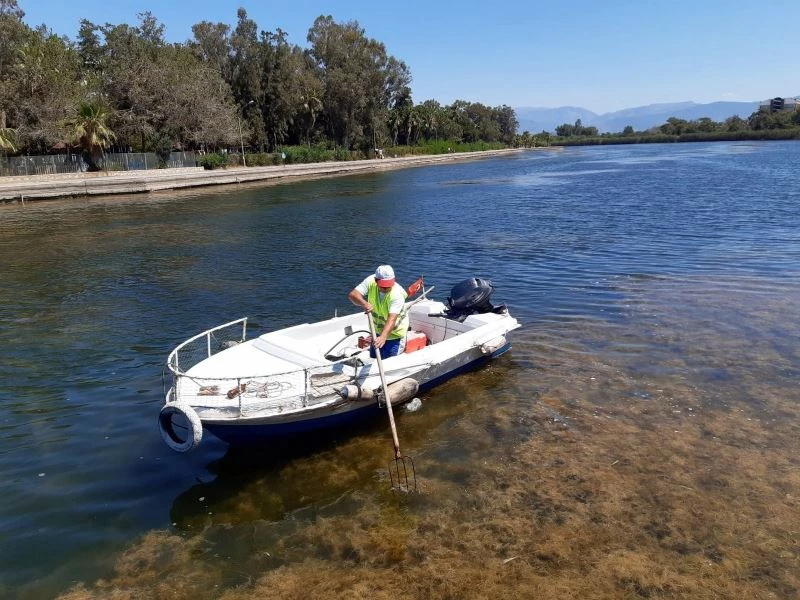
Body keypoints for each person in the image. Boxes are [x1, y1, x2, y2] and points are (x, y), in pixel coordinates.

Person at [348, 265, 408, 358]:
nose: (386, 289)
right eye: (383, 287)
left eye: (389, 286)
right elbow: (353, 295)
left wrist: (383, 337)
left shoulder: (397, 294)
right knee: (373, 358)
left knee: (389, 364)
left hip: (395, 335)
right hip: (376, 331)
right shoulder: (370, 281)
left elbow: (392, 319)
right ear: (376, 281)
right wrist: (364, 303)